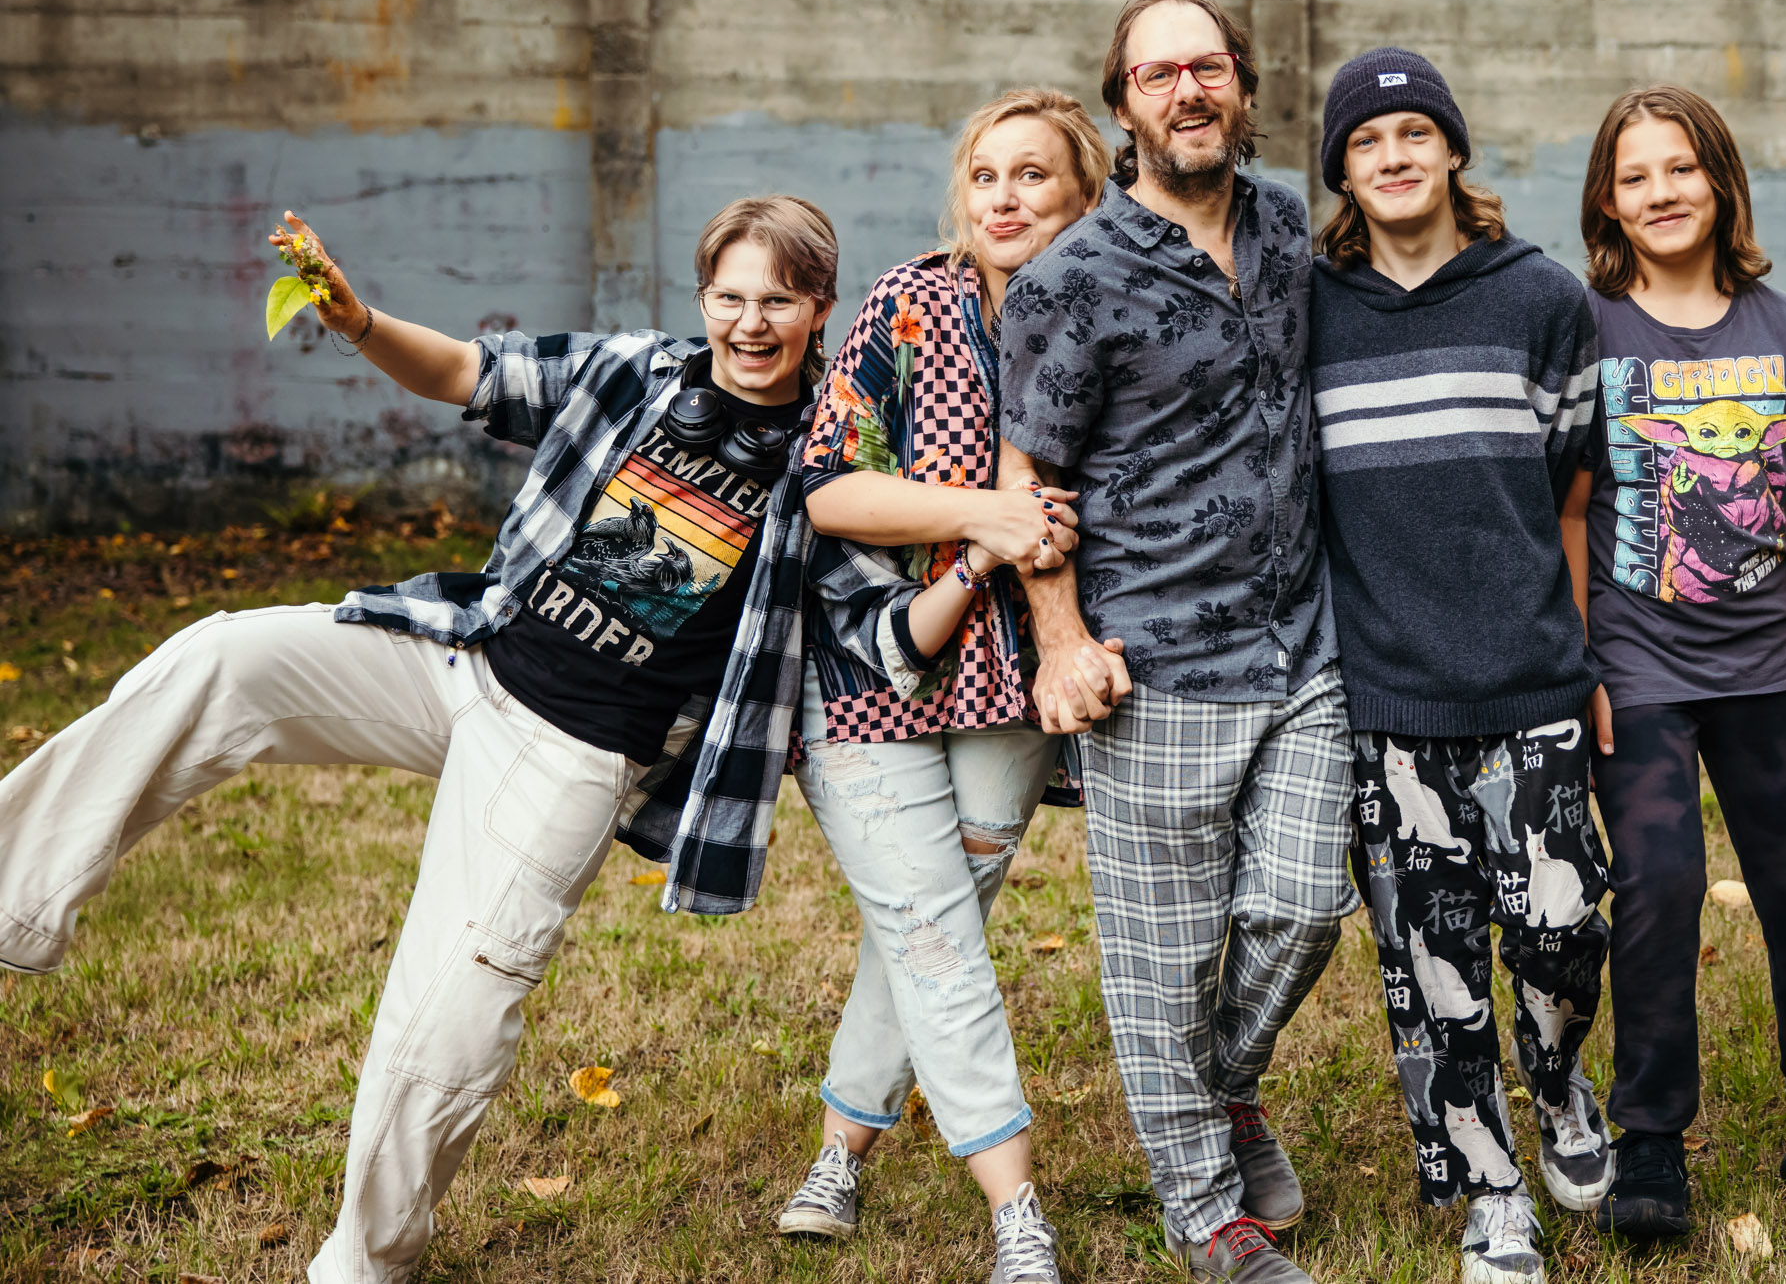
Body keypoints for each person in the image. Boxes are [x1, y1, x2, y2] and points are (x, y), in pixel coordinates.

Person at [0, 197, 1058, 1284]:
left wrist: (978, 541)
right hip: (463, 656)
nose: (750, 321)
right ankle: (13, 895)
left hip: (577, 750)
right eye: (730, 296)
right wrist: (358, 317)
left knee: (450, 1006)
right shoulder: (635, 370)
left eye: (778, 299)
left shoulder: (828, 475)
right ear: (703, 300)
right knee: (217, 655)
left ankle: (365, 1260)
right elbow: (470, 373)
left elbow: (890, 640)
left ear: (818, 308)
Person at [994, 0, 1345, 1284]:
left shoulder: (1294, 230)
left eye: (1208, 66)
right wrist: (1060, 637)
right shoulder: (1070, 277)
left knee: (1307, 903)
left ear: (1244, 84)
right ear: (1123, 101)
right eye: (1158, 72)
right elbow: (1025, 471)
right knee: (1164, 958)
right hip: (1155, 662)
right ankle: (1211, 1216)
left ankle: (1225, 1086)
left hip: (1308, 643)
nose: (1186, 90)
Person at [771, 91, 1110, 1284]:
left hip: (1014, 685)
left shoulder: (1113, 314)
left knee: (930, 925)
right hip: (866, 663)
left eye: (1033, 176)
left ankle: (840, 1147)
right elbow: (829, 487)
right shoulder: (905, 306)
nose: (1005, 197)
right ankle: (1016, 1209)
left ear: (1085, 195)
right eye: (985, 175)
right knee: (931, 930)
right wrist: (987, 522)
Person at [1558, 86, 1786, 1237]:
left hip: (1766, 671)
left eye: (1681, 168)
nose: (1660, 192)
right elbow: (1566, 513)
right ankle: (1650, 1141)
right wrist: (1579, 657)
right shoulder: (1586, 331)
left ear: (1720, 180)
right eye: (1635, 173)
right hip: (1638, 667)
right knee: (1654, 888)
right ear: (1608, 197)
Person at [1307, 50, 1611, 1284]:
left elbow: (1569, 489)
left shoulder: (1538, 296)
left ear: (1452, 151)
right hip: (1385, 698)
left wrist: (1576, 648)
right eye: (1366, 140)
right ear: (1340, 169)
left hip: (1527, 685)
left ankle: (1558, 1076)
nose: (1392, 155)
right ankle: (1492, 1191)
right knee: (1435, 967)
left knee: (1560, 926)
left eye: (1415, 132)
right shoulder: (1311, 308)